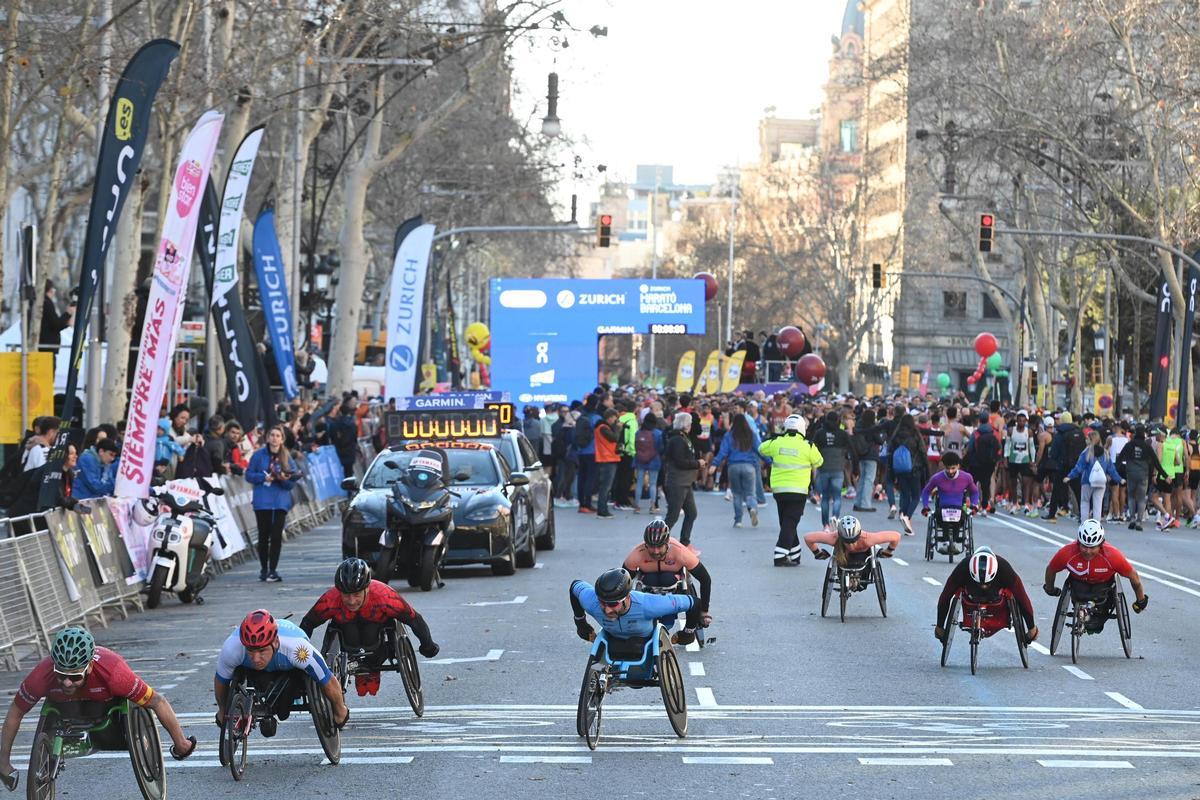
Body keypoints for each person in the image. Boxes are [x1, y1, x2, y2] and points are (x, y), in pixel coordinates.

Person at [0, 627, 196, 788]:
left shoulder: (115, 674)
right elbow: (15, 714)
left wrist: (181, 744)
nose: (67, 683)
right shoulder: (41, 675)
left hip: (106, 706)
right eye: (61, 675)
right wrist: (3, 763)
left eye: (75, 676)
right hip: (64, 709)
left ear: (90, 667)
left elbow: (157, 702)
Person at [299, 558, 440, 697]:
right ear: (339, 591)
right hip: (347, 637)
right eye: (346, 595)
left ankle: (372, 666)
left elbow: (414, 619)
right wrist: (300, 657)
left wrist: (427, 645)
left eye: (356, 594)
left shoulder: (385, 596)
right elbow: (307, 624)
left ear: (367, 588)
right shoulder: (330, 599)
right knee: (349, 629)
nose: (352, 601)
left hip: (378, 638)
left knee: (370, 631)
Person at [214, 609, 348, 738]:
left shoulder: (297, 648)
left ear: (275, 642)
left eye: (262, 651)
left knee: (284, 708)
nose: (255, 658)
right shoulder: (232, 648)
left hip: (291, 672)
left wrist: (340, 710)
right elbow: (221, 681)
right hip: (255, 673)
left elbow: (327, 678)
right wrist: (223, 709)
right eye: (250, 650)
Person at [1043, 520, 1148, 634]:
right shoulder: (1067, 553)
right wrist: (1050, 589)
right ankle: (1083, 614)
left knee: (1099, 611)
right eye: (1084, 546)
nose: (1088, 551)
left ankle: (1094, 617)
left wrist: (1140, 600)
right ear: (1078, 543)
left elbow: (1134, 578)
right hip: (1078, 586)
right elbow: (1051, 570)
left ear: (1101, 544)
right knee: (1078, 589)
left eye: (1092, 547)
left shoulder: (1112, 555)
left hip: (1103, 588)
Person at [570, 567, 703, 649]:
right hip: (612, 643)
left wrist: (688, 632)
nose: (607, 610)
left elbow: (694, 603)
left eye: (612, 604)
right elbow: (575, 585)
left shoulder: (648, 604)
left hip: (645, 644)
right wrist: (580, 622)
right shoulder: (591, 601)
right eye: (602, 603)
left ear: (627, 597)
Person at [622, 519, 712, 632]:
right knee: (651, 579)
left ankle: (688, 631)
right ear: (645, 543)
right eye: (651, 546)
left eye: (659, 546)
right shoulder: (636, 554)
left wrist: (704, 611)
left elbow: (705, 579)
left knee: (667, 579)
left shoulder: (680, 552)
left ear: (667, 543)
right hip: (648, 586)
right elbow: (622, 583)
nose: (655, 551)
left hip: (672, 585)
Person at [934, 546, 1038, 644]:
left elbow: (1022, 597)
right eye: (980, 583)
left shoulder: (1004, 569)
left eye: (986, 583)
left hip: (996, 597)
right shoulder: (963, 568)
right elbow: (945, 596)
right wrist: (940, 626)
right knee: (951, 591)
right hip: (971, 594)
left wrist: (1031, 628)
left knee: (1017, 593)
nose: (983, 586)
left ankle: (986, 586)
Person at [759, 414, 823, 566]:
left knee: (786, 521)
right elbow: (819, 461)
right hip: (798, 491)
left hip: (779, 490)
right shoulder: (808, 445)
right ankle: (780, 554)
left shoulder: (776, 442)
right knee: (790, 522)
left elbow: (761, 448)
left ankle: (795, 555)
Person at [246, 425, 299, 582]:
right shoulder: (258, 455)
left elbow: (293, 480)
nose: (275, 438)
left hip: (280, 502)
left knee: (276, 536)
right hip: (262, 501)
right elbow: (248, 475)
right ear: (268, 438)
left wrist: (284, 479)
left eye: (278, 436)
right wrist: (263, 478)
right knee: (264, 536)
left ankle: (273, 570)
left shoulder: (286, 456)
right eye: (272, 435)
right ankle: (264, 568)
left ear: (282, 439)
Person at [919, 451, 981, 554]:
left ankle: (951, 543)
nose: (950, 471)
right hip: (942, 509)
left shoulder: (966, 477)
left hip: (959, 509)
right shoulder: (937, 478)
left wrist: (974, 505)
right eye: (947, 468)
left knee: (961, 517)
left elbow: (974, 492)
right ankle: (948, 543)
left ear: (958, 466)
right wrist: (925, 506)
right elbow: (926, 491)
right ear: (944, 466)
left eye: (953, 468)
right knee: (940, 516)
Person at [709, 413, 763, 527]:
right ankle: (752, 508)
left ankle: (738, 521)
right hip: (749, 466)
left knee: (737, 494)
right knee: (750, 493)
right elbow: (760, 450)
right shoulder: (751, 434)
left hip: (733, 466)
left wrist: (714, 464)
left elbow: (723, 451)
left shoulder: (729, 435)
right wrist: (770, 461)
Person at [1064, 430, 1125, 523]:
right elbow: (1111, 469)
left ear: (1090, 440)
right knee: (1098, 504)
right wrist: (1119, 479)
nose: (1086, 440)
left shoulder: (1086, 452)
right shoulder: (1105, 453)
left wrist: (1070, 476)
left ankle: (1084, 523)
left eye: (1087, 438)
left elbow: (1079, 467)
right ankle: (1096, 525)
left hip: (1087, 481)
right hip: (1101, 482)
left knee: (1085, 502)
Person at [1115, 425, 1168, 531]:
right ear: (1143, 434)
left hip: (1131, 473)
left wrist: (1113, 473)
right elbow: (1156, 462)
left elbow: (1119, 459)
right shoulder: (1146, 446)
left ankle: (1132, 519)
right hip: (1143, 475)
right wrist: (1164, 475)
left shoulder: (1129, 445)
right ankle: (1139, 521)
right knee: (1141, 498)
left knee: (1131, 497)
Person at [810, 411, 853, 530]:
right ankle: (835, 516)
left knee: (825, 497)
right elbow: (851, 448)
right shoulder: (842, 434)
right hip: (838, 468)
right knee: (837, 496)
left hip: (823, 468)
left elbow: (813, 448)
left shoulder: (820, 433)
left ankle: (826, 525)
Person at [662, 411, 700, 546]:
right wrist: (697, 463)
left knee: (692, 513)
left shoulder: (684, 437)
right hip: (677, 481)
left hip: (686, 481)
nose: (691, 425)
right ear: (685, 424)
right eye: (689, 423)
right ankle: (657, 541)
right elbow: (680, 461)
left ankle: (685, 543)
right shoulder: (677, 440)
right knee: (672, 515)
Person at [887, 413, 927, 534]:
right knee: (915, 496)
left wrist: (891, 470)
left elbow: (890, 451)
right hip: (915, 468)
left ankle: (902, 513)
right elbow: (922, 451)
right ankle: (907, 517)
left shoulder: (896, 435)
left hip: (899, 469)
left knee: (904, 493)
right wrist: (926, 468)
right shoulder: (915, 435)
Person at [804, 514, 901, 561]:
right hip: (843, 555)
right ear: (841, 537)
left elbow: (896, 536)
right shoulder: (834, 538)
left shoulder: (867, 539)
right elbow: (808, 538)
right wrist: (818, 553)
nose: (851, 545)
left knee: (874, 547)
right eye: (847, 541)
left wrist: (888, 551)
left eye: (853, 541)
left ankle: (877, 548)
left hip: (864, 553)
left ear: (859, 536)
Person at [632, 412, 665, 514]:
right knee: (653, 484)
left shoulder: (638, 432)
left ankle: (637, 506)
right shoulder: (658, 433)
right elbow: (661, 448)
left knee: (639, 483)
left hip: (640, 460)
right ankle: (652, 506)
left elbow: (636, 446)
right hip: (654, 460)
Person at [592, 408, 622, 519]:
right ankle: (602, 510)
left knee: (605, 486)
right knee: (605, 486)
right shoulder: (603, 428)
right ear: (609, 417)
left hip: (608, 458)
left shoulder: (604, 427)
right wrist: (618, 428)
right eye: (615, 418)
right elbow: (614, 438)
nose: (616, 421)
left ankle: (603, 509)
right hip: (606, 459)